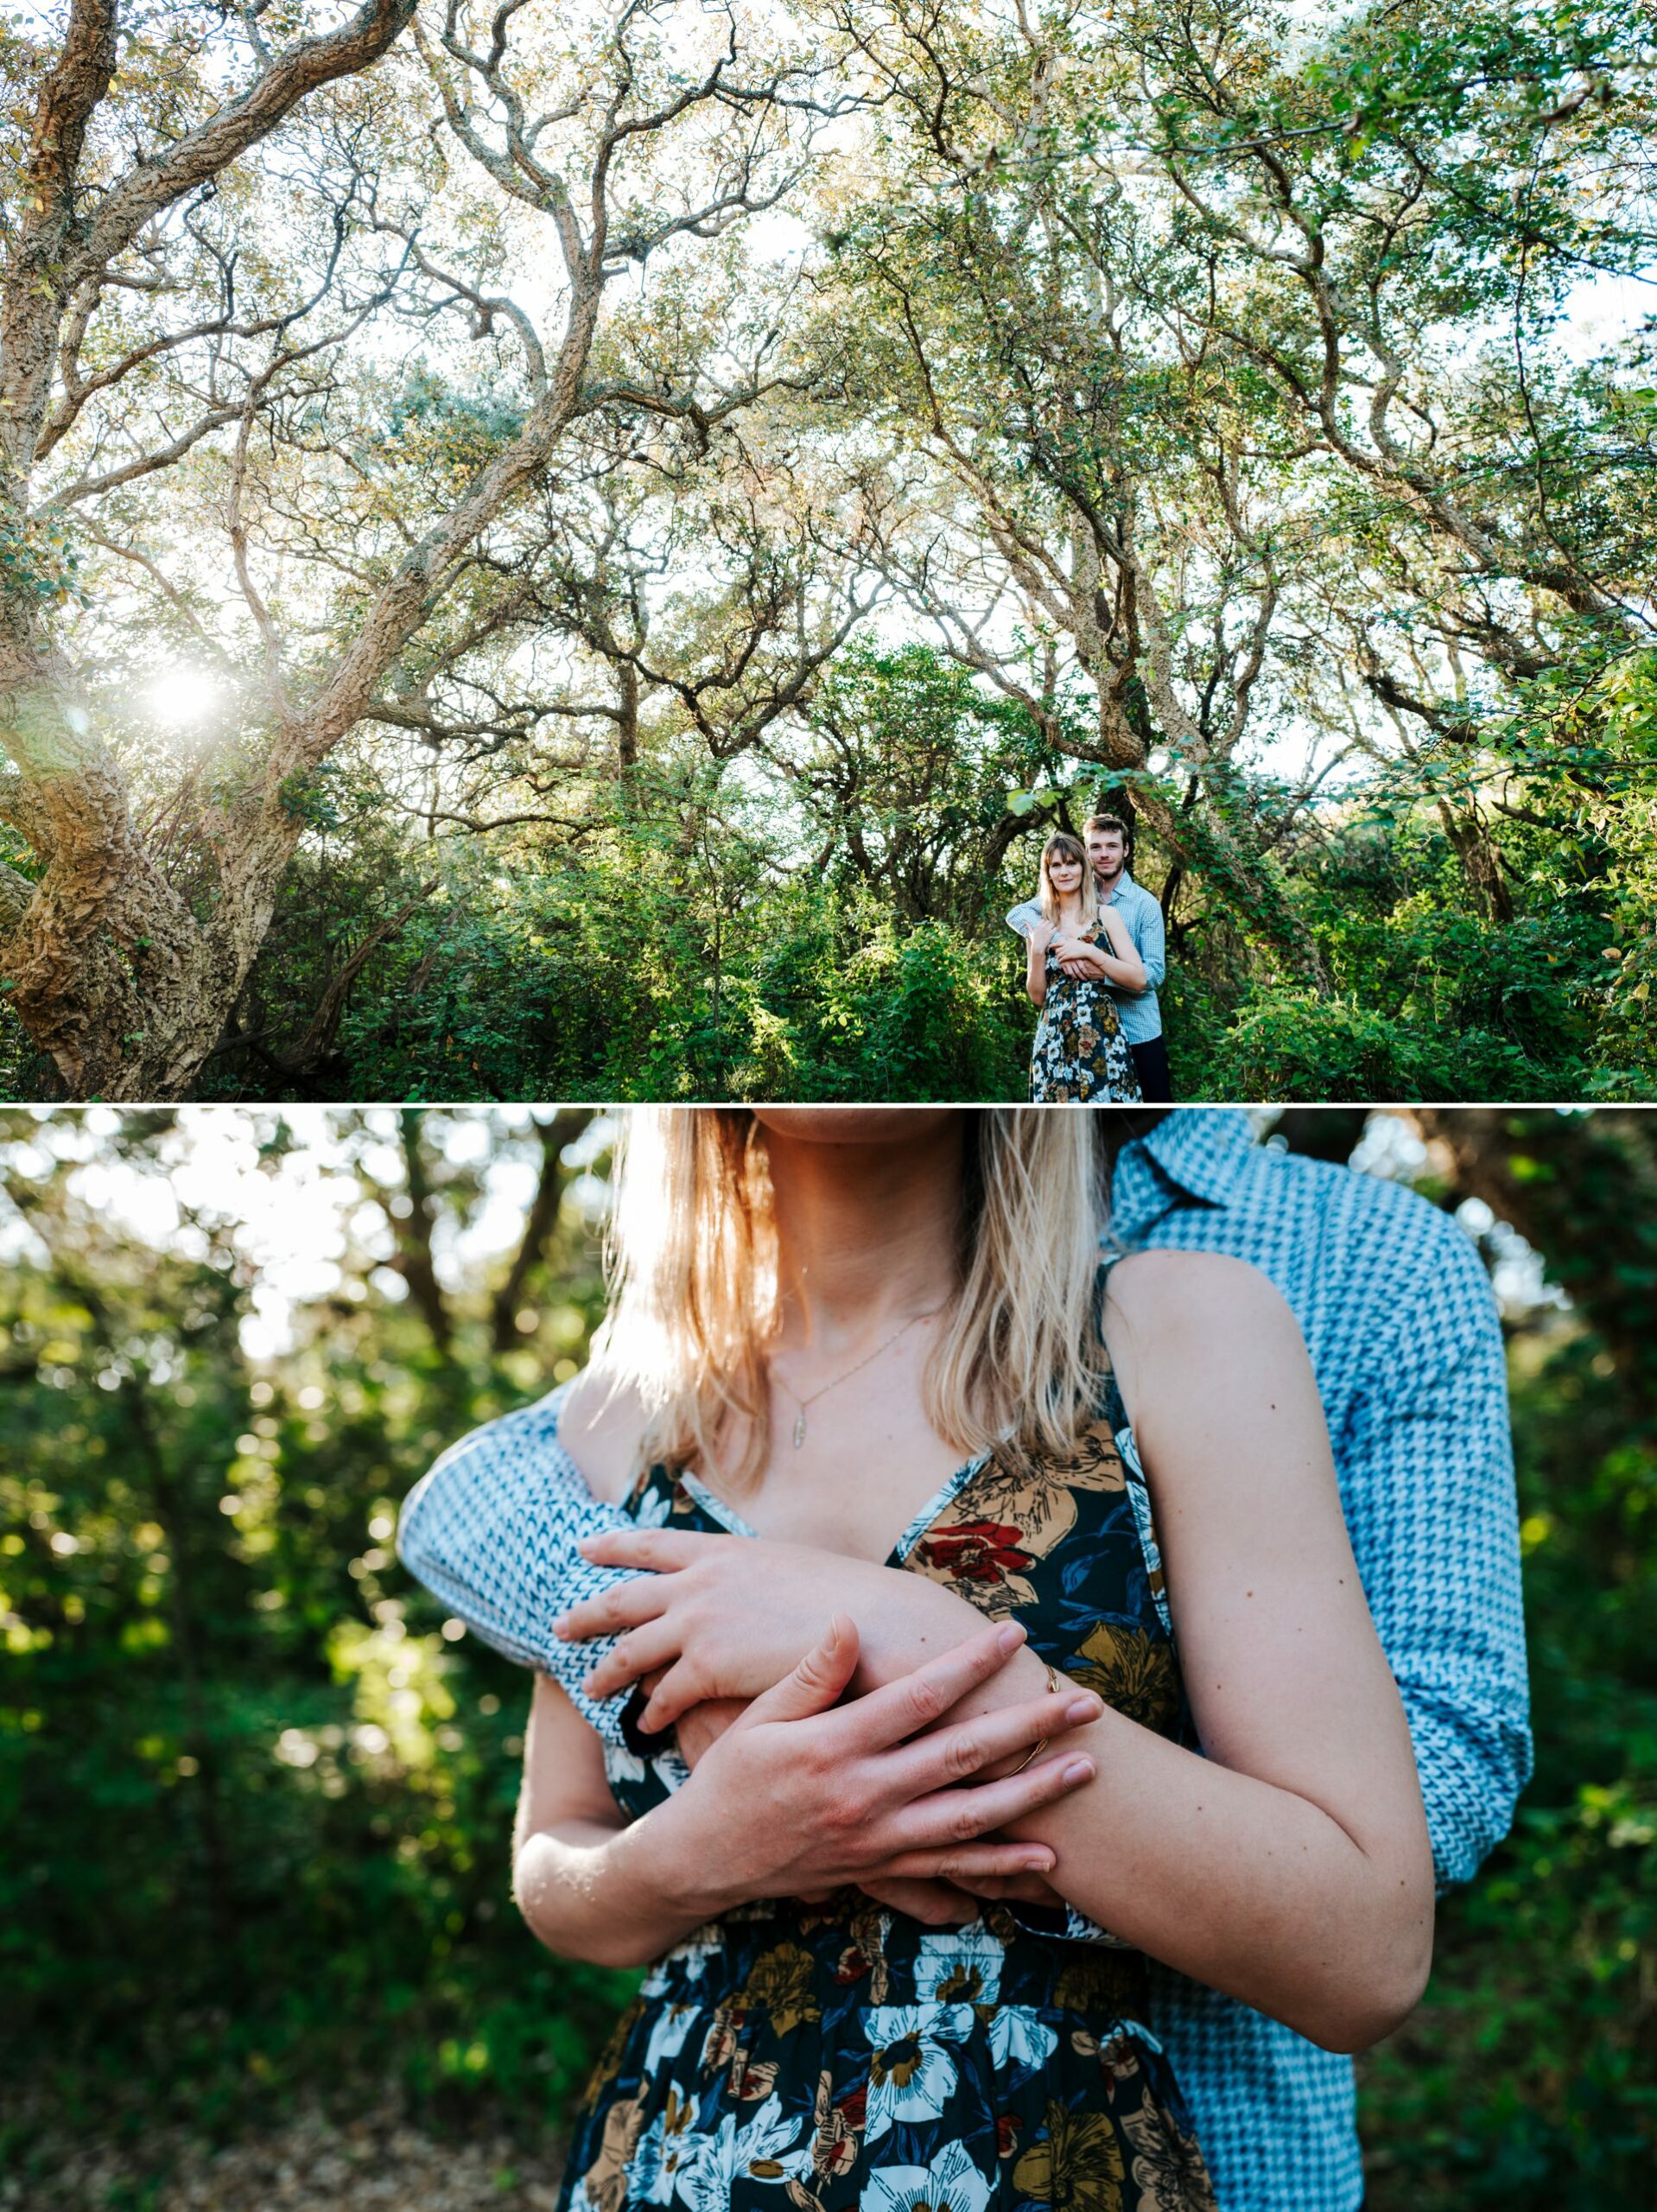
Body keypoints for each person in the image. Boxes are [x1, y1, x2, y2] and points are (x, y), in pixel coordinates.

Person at [397, 1108, 1509, 2212]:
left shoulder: (1183, 1328)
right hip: (682, 2155)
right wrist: (704, 1850)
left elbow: (1363, 1951)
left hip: (1045, 2156)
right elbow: (558, 1861)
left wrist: (907, 1637)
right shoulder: (615, 1417)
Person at [1009, 816, 1171, 1103]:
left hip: (1132, 1029)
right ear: (1088, 854)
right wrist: (1048, 947)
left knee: (1146, 1107)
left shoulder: (1140, 905)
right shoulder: (1046, 917)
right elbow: (1017, 914)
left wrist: (1092, 961)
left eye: (1112, 846)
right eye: (1096, 847)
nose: (1104, 854)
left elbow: (1151, 975)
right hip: (1058, 1035)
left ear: (1126, 850)